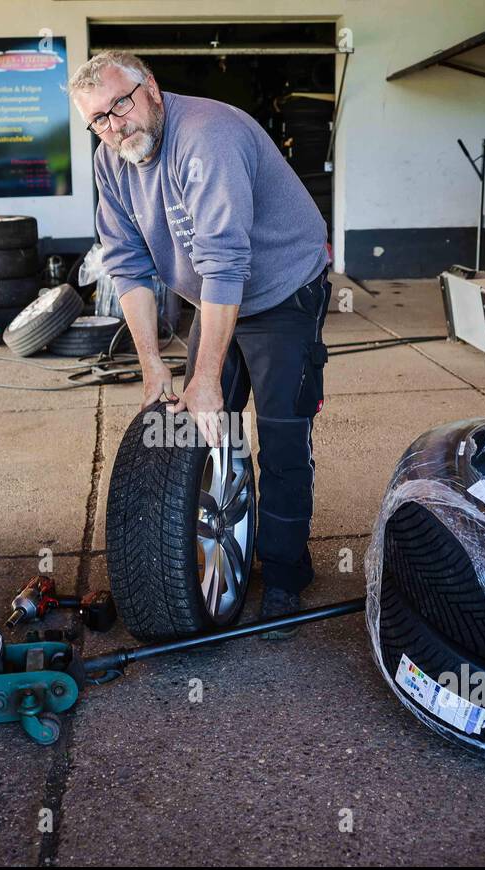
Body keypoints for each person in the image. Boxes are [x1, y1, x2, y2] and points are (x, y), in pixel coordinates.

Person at [70, 51, 331, 637]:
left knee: (282, 435)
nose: (116, 124)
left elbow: (225, 260)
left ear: (152, 89)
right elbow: (128, 266)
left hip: (281, 287)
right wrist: (152, 366)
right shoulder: (111, 161)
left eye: (123, 103)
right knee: (192, 420)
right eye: (99, 119)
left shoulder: (208, 136)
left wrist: (207, 376)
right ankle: (198, 529)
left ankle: (288, 575)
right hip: (214, 295)